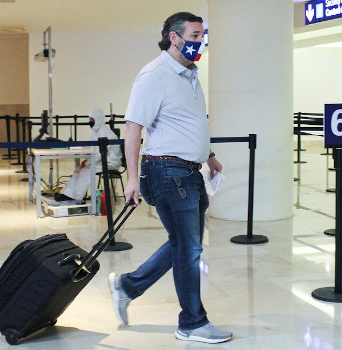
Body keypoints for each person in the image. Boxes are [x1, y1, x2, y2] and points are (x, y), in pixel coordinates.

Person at [107, 12, 232, 344]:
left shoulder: (190, 74)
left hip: (189, 171)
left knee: (185, 244)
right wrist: (132, 178)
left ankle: (127, 286)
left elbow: (186, 121)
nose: (199, 41)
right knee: (188, 247)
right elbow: (132, 127)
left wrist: (208, 155)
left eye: (202, 35)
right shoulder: (154, 74)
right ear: (174, 37)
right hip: (166, 171)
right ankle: (191, 322)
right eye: (194, 35)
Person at [56, 107, 122, 202]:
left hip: (111, 163)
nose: (90, 122)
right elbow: (95, 152)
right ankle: (68, 193)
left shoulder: (103, 132)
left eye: (92, 120)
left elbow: (100, 154)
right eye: (90, 119)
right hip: (102, 161)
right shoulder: (96, 131)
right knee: (79, 169)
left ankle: (76, 197)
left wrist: (87, 163)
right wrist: (86, 161)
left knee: (86, 171)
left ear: (98, 119)